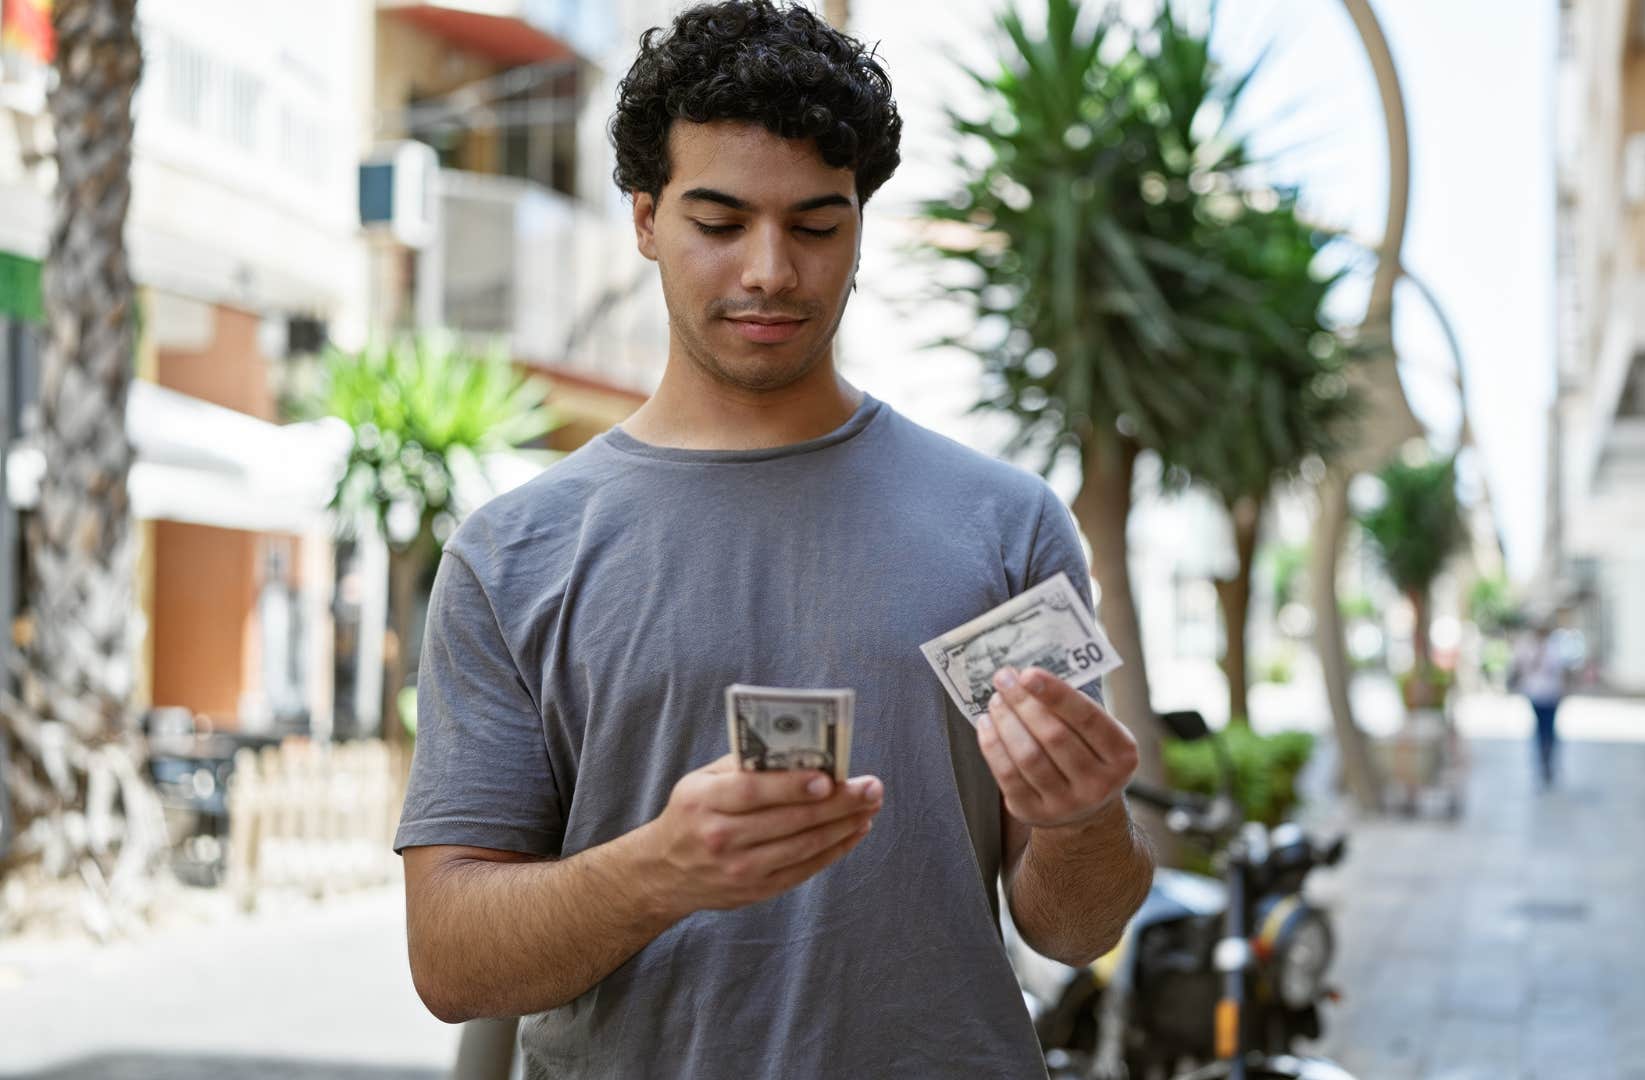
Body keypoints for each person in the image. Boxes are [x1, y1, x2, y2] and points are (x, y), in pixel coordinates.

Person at [392, 4, 1155, 1077]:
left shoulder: (1005, 524)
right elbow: (451, 962)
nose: (770, 271)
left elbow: (1074, 930)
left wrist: (1081, 820)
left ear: (859, 224)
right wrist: (661, 869)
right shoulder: (514, 556)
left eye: (814, 224)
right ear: (646, 219)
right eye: (719, 222)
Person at [1511, 623, 1570, 788]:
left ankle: (1546, 758)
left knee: (1546, 728)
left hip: (1548, 693)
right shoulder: (1535, 648)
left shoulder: (1552, 647)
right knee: (1545, 728)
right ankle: (1545, 759)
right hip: (1539, 693)